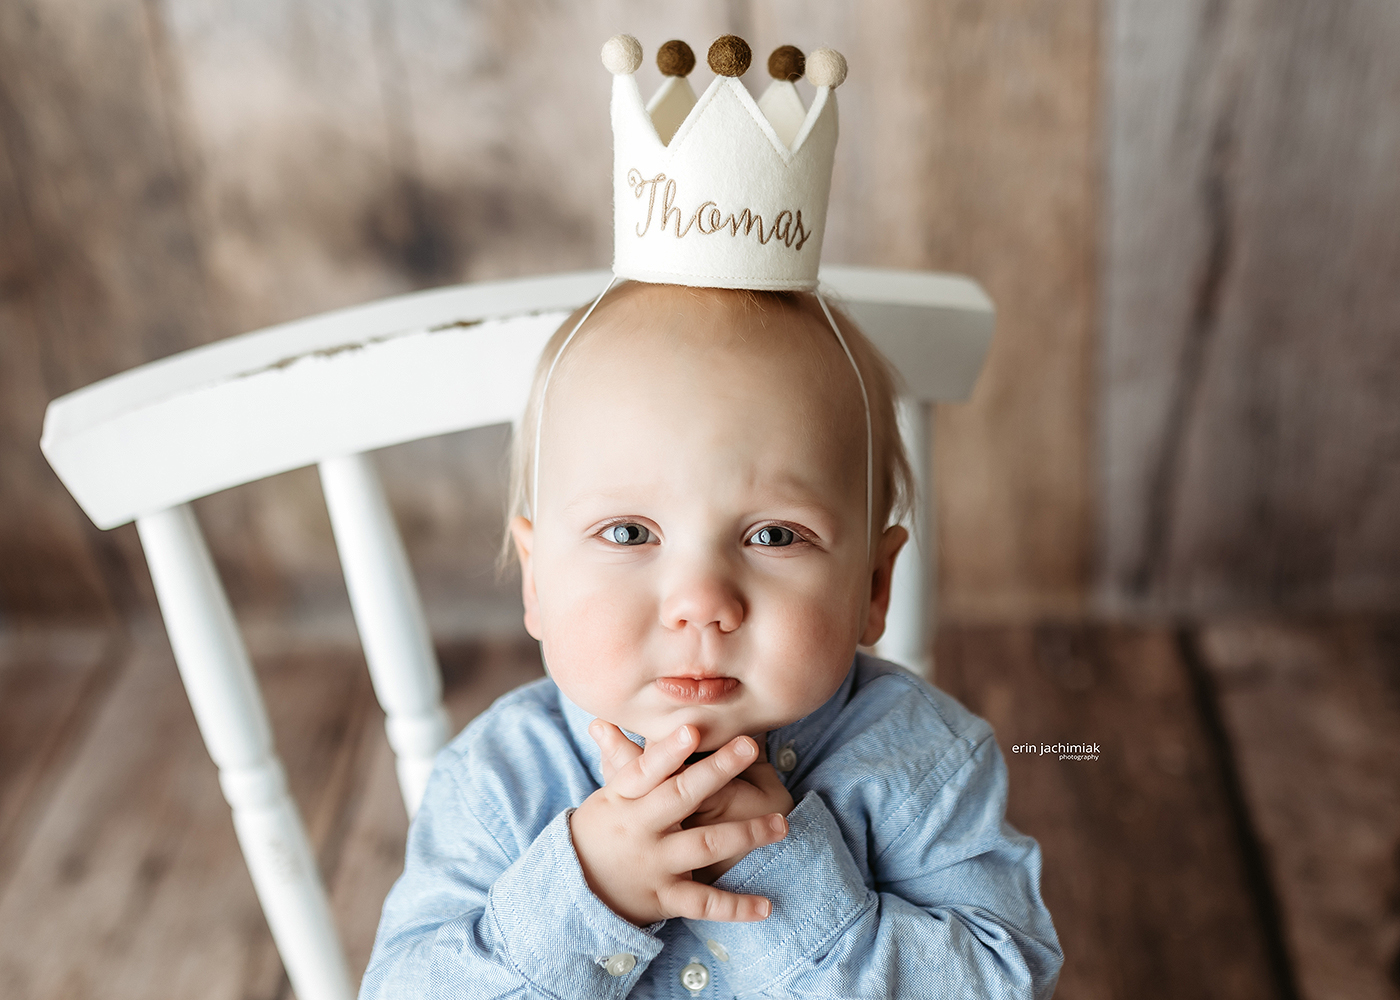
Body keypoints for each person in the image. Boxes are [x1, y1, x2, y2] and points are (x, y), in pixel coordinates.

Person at [361, 33, 1060, 1000]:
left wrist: (779, 867)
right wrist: (589, 892)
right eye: (628, 533)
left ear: (873, 588)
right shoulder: (498, 784)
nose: (700, 600)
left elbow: (1003, 984)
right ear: (536, 578)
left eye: (773, 535)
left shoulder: (925, 770)